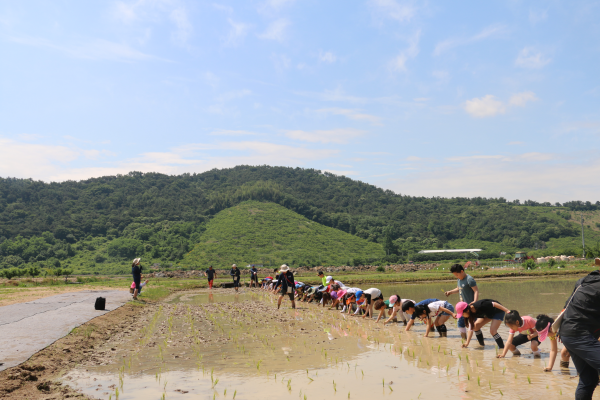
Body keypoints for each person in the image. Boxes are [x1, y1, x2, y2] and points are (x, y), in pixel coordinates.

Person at [557, 269, 600, 400]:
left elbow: (566, 306)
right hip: (580, 334)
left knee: (588, 379)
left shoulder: (582, 282)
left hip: (567, 333)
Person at [444, 263, 479, 339]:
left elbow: (476, 291)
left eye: (457, 275)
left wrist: (475, 301)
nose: (457, 276)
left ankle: (479, 340)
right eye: (455, 275)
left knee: (474, 324)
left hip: (470, 306)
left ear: (462, 271)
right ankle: (464, 339)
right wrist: (450, 292)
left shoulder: (469, 279)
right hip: (462, 307)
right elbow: (458, 289)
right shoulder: (459, 280)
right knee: (460, 323)